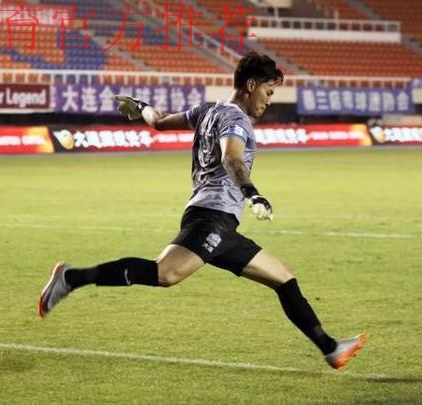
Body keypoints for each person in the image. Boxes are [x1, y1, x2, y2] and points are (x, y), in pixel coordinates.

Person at [38, 52, 365, 369]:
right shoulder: (236, 119)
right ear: (251, 85)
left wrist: (141, 106)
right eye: (268, 92)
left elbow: (160, 122)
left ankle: (331, 348)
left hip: (222, 224)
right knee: (165, 274)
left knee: (284, 278)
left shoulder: (208, 110)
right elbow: (232, 158)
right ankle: (71, 278)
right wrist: (252, 194)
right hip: (212, 217)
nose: (269, 100)